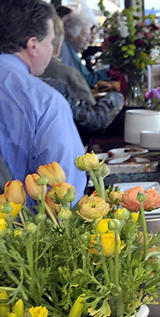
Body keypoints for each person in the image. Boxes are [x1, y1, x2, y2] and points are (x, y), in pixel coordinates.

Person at [0, 0, 87, 197]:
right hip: (20, 224)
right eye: (50, 42)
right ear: (33, 45)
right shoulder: (45, 101)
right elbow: (66, 191)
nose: (52, 50)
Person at [41, 15, 123, 133]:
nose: (89, 39)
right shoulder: (64, 63)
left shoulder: (72, 54)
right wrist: (116, 97)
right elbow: (93, 116)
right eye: (85, 35)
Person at [60, 12, 109, 88]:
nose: (89, 39)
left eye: (89, 35)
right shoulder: (65, 52)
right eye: (85, 35)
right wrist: (108, 72)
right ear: (71, 36)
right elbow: (82, 82)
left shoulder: (71, 51)